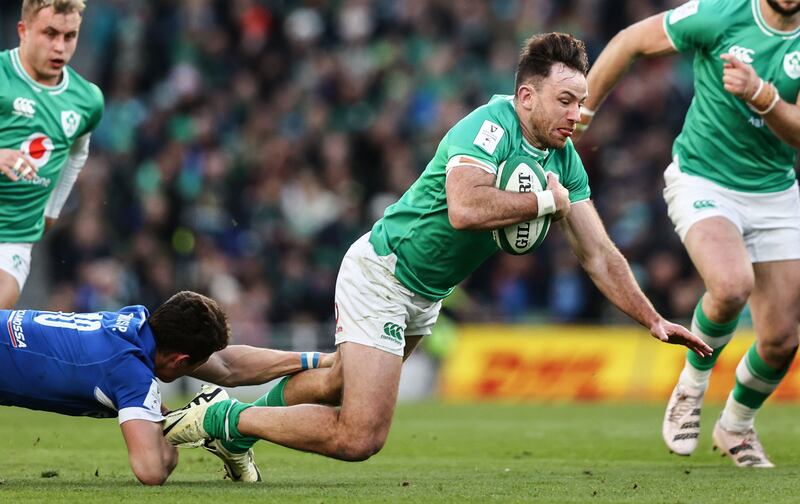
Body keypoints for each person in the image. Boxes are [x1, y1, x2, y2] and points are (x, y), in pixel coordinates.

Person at [161, 32, 713, 466]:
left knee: (333, 382)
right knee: (360, 437)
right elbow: (464, 208)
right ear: (526, 96)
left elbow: (599, 254)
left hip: (424, 297)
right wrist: (545, 203)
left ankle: (235, 428)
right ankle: (226, 420)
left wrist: (652, 319)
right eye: (565, 101)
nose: (577, 114)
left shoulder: (562, 160)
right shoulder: (489, 129)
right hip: (383, 273)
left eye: (582, 102)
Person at [573, 0, 800, 468]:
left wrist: (763, 96)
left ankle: (736, 426)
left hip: (775, 191)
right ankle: (690, 389)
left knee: (782, 338)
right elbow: (630, 41)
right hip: (704, 179)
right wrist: (586, 111)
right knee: (731, 285)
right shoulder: (720, 15)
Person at [0, 290, 333, 485]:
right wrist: (183, 423)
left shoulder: (136, 324)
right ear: (180, 360)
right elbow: (151, 471)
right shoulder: (132, 373)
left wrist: (321, 361)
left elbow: (230, 366)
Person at [0, 0, 104, 308]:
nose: (60, 46)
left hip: (14, 240)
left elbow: (76, 156)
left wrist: (52, 210)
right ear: (23, 31)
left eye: (69, 36)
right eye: (50, 33)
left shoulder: (87, 100)